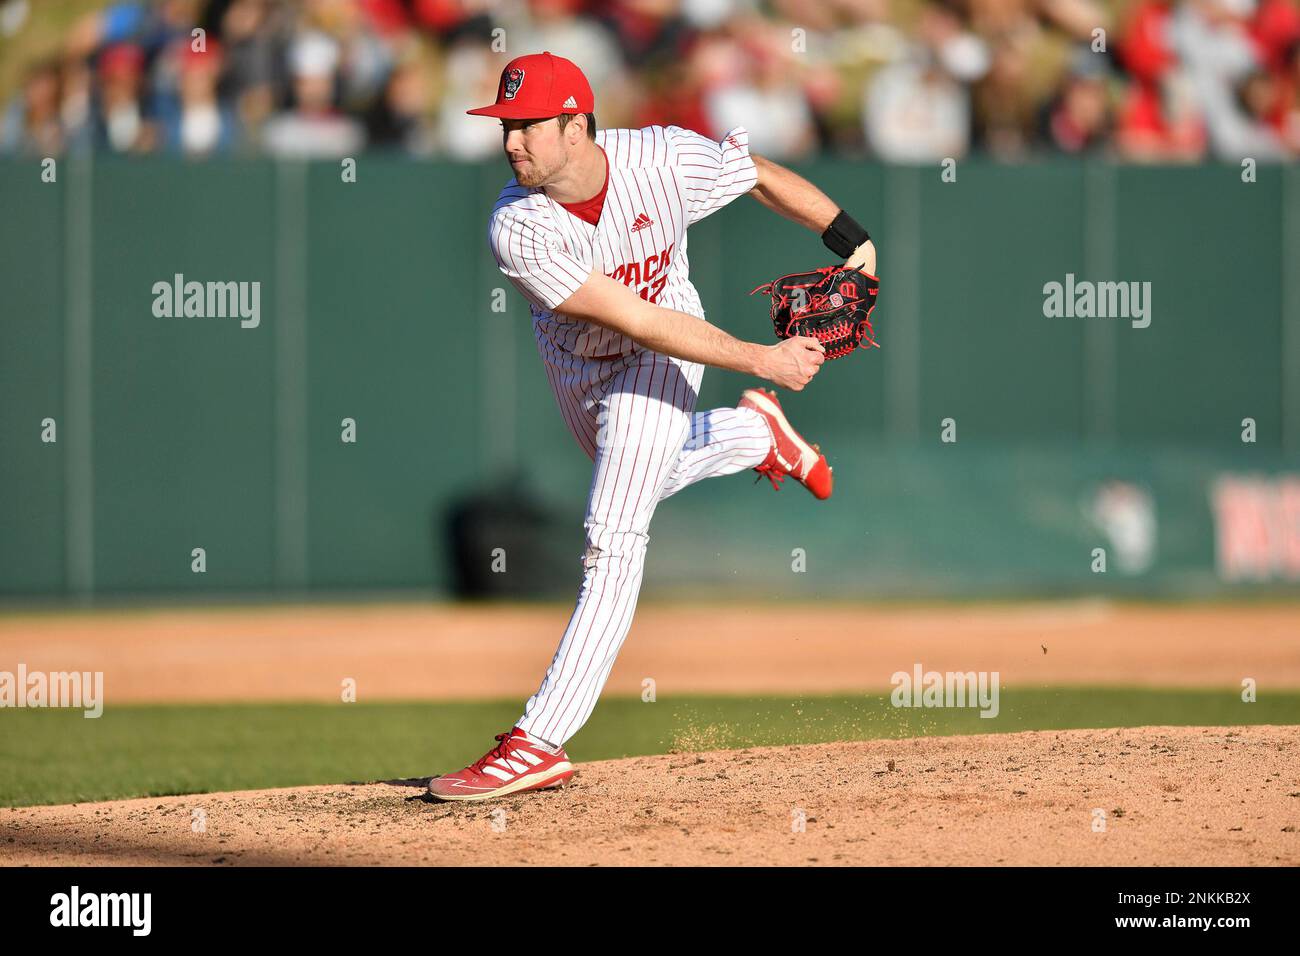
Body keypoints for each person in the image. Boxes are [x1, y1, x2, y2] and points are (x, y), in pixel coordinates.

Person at [427, 52, 877, 801]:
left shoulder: (661, 159)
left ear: (577, 124)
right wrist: (762, 363)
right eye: (506, 126)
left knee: (613, 531)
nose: (511, 141)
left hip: (665, 354)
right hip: (585, 367)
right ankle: (753, 435)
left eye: (528, 125)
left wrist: (852, 241)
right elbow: (631, 316)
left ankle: (540, 740)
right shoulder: (519, 225)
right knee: (643, 475)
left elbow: (756, 173)